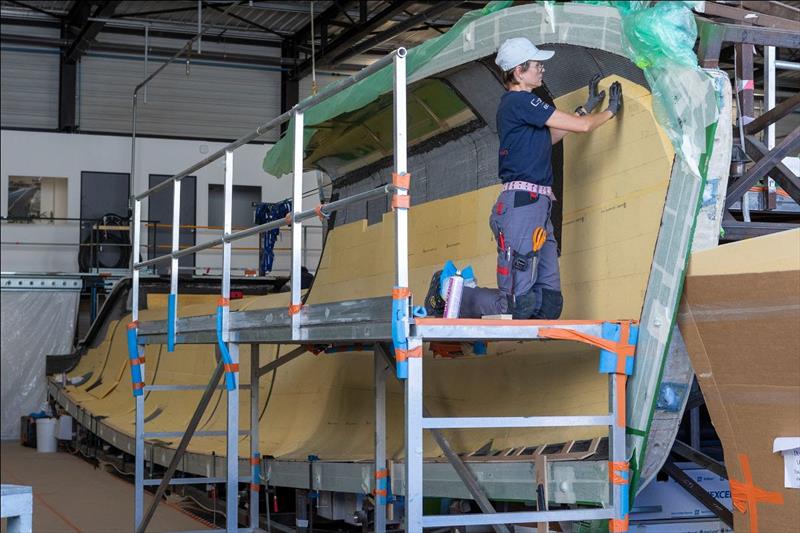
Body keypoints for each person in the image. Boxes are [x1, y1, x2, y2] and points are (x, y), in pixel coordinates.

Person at [426, 37, 623, 319]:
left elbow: (549, 139)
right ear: (519, 71)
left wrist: (586, 108)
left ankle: (464, 294)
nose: (542, 69)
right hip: (521, 207)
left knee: (549, 306)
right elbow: (582, 127)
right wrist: (609, 112)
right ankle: (450, 293)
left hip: (538, 206)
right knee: (517, 307)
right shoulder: (520, 101)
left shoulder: (521, 106)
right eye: (536, 65)